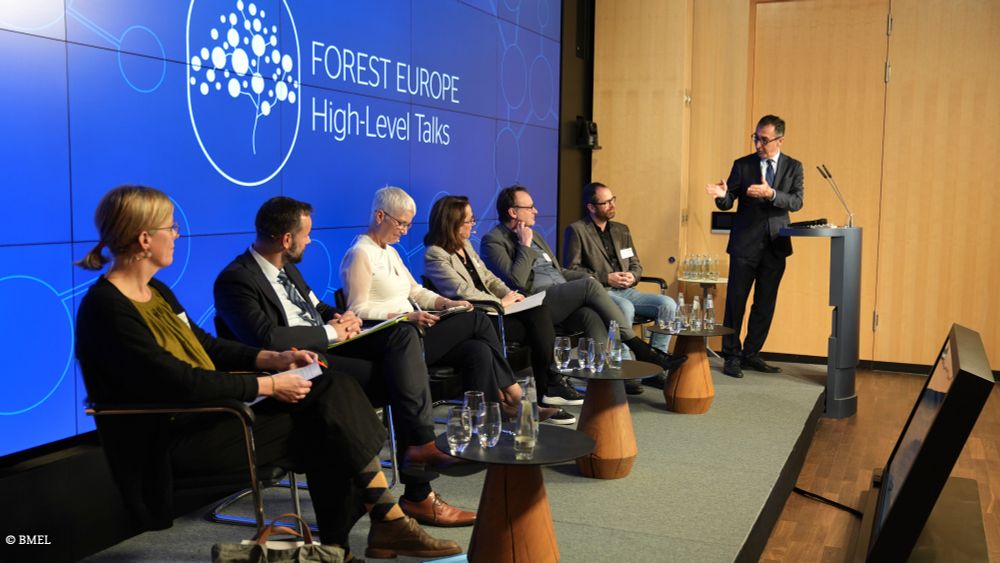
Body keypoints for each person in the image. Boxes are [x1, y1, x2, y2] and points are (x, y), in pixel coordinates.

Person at [74, 185, 460, 560]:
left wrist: (270, 359)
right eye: (170, 228)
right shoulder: (108, 308)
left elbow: (207, 347)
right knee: (331, 417)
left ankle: (355, 539)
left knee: (333, 403)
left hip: (213, 415)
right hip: (176, 436)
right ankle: (378, 526)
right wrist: (269, 384)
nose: (176, 235)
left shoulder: (156, 292)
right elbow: (179, 380)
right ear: (144, 240)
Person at [213, 196, 474, 527]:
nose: (310, 240)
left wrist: (341, 319)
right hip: (295, 367)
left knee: (402, 336)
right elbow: (266, 339)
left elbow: (315, 306)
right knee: (399, 377)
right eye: (306, 235)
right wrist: (330, 333)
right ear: (287, 239)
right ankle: (418, 489)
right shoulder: (236, 279)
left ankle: (420, 454)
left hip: (328, 349)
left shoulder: (288, 269)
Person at [340, 186, 535, 417]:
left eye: (408, 225)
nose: (404, 231)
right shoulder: (360, 253)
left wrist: (448, 304)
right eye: (400, 223)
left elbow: (416, 292)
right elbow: (357, 310)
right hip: (399, 343)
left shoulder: (390, 252)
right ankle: (512, 392)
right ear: (380, 215)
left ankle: (487, 418)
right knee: (477, 320)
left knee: (478, 350)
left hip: (417, 330)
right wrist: (405, 317)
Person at [480, 185, 685, 395]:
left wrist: (590, 277)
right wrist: (524, 245)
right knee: (590, 285)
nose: (536, 211)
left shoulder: (536, 235)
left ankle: (604, 379)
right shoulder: (493, 241)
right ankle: (641, 349)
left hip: (560, 294)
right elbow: (516, 281)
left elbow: (559, 272)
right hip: (534, 303)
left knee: (590, 315)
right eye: (530, 207)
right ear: (513, 212)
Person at [423, 195, 582, 422]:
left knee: (538, 311)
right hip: (475, 319)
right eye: (468, 220)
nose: (472, 224)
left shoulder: (465, 245)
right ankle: (526, 396)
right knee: (534, 329)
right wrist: (499, 303)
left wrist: (509, 294)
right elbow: (461, 292)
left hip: (494, 314)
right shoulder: (435, 254)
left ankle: (546, 387)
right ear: (452, 223)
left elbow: (488, 278)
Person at [705, 115, 804, 378]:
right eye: (756, 138)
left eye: (764, 139)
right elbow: (728, 202)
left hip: (775, 245)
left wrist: (770, 194)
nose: (758, 144)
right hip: (744, 244)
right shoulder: (743, 165)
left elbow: (796, 201)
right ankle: (731, 356)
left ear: (779, 140)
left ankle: (751, 353)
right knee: (736, 302)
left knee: (764, 303)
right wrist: (722, 195)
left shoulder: (794, 167)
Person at [563, 182, 681, 388]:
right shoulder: (577, 230)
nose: (612, 205)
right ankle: (628, 368)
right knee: (625, 308)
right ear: (591, 207)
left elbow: (635, 262)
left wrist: (632, 276)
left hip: (627, 289)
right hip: (600, 292)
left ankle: (653, 364)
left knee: (668, 304)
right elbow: (571, 271)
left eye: (612, 200)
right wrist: (605, 278)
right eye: (606, 202)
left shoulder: (621, 230)